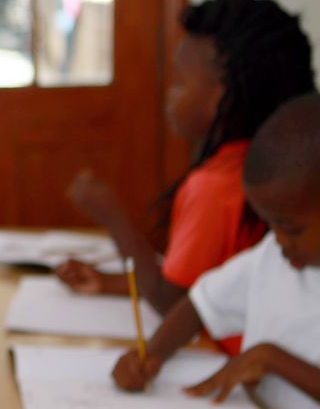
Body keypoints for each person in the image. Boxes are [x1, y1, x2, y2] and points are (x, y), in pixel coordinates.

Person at [56, 0, 315, 353]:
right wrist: (115, 283)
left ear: (225, 98)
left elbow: (173, 301)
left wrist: (111, 215)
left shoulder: (215, 185)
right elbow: (212, 283)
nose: (169, 95)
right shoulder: (286, 171)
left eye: (180, 82)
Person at [111, 93, 320, 408]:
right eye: (270, 225)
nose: (277, 239)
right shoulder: (273, 258)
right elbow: (200, 304)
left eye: (291, 228)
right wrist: (152, 354)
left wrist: (270, 357)